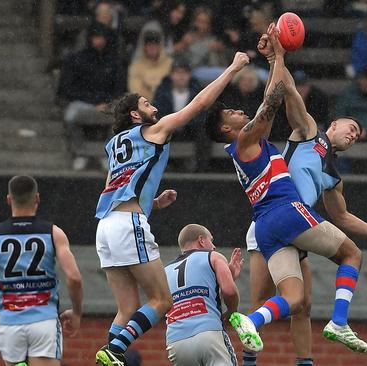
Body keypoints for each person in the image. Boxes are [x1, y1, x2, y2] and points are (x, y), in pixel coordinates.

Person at [205, 24, 367, 355]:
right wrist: (277, 55)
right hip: (286, 212)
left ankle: (253, 320)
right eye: (233, 112)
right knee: (352, 253)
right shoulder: (248, 138)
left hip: (266, 227)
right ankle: (339, 321)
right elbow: (273, 100)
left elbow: (271, 97)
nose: (240, 110)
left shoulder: (248, 145)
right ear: (227, 128)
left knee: (295, 299)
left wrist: (272, 60)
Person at [242, 38, 367, 365]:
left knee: (301, 305)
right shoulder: (309, 133)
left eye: (358, 135)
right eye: (352, 127)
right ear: (334, 124)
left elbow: (341, 217)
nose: (354, 134)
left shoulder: (333, 175)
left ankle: (305, 362)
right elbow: (287, 93)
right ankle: (251, 360)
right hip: (278, 215)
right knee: (261, 298)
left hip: (296, 226)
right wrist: (278, 57)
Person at [94, 51, 249, 366]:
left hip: (106, 227)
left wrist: (152, 202)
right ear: (135, 116)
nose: (154, 107)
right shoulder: (153, 130)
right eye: (146, 105)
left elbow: (112, 189)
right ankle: (114, 350)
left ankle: (109, 355)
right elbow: (198, 105)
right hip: (128, 224)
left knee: (126, 309)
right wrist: (232, 68)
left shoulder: (114, 146)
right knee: (162, 299)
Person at [0, 176, 83, 366]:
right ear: (37, 198)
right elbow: (74, 278)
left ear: (9, 200)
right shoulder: (53, 233)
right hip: (44, 320)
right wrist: (76, 312)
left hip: (10, 322)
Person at [165, 224, 243, 366]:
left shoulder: (165, 270)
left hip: (176, 342)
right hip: (209, 334)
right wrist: (232, 311)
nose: (213, 246)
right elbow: (229, 291)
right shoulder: (213, 256)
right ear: (201, 240)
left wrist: (228, 275)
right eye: (211, 240)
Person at [57, 23, 126, 170]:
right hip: (82, 102)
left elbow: (119, 89)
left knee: (122, 118)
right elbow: (67, 89)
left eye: (101, 37)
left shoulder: (114, 61)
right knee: (69, 116)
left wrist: (106, 102)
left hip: (108, 103)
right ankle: (80, 152)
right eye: (95, 37)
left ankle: (104, 153)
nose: (99, 41)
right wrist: (93, 102)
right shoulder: (77, 60)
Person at [152, 58, 209, 172]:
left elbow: (202, 113)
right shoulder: (162, 91)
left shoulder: (197, 90)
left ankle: (201, 170)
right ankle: (159, 167)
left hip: (191, 128)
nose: (181, 76)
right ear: (172, 75)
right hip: (169, 128)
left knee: (204, 133)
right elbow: (159, 112)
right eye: (178, 73)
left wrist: (185, 122)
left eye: (185, 73)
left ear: (189, 75)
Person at [128, 30, 173, 102]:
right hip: (145, 107)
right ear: (144, 47)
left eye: (155, 45)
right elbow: (135, 92)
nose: (152, 48)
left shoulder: (170, 64)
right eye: (149, 45)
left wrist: (149, 87)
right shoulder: (136, 66)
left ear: (160, 46)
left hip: (167, 106)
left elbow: (173, 89)